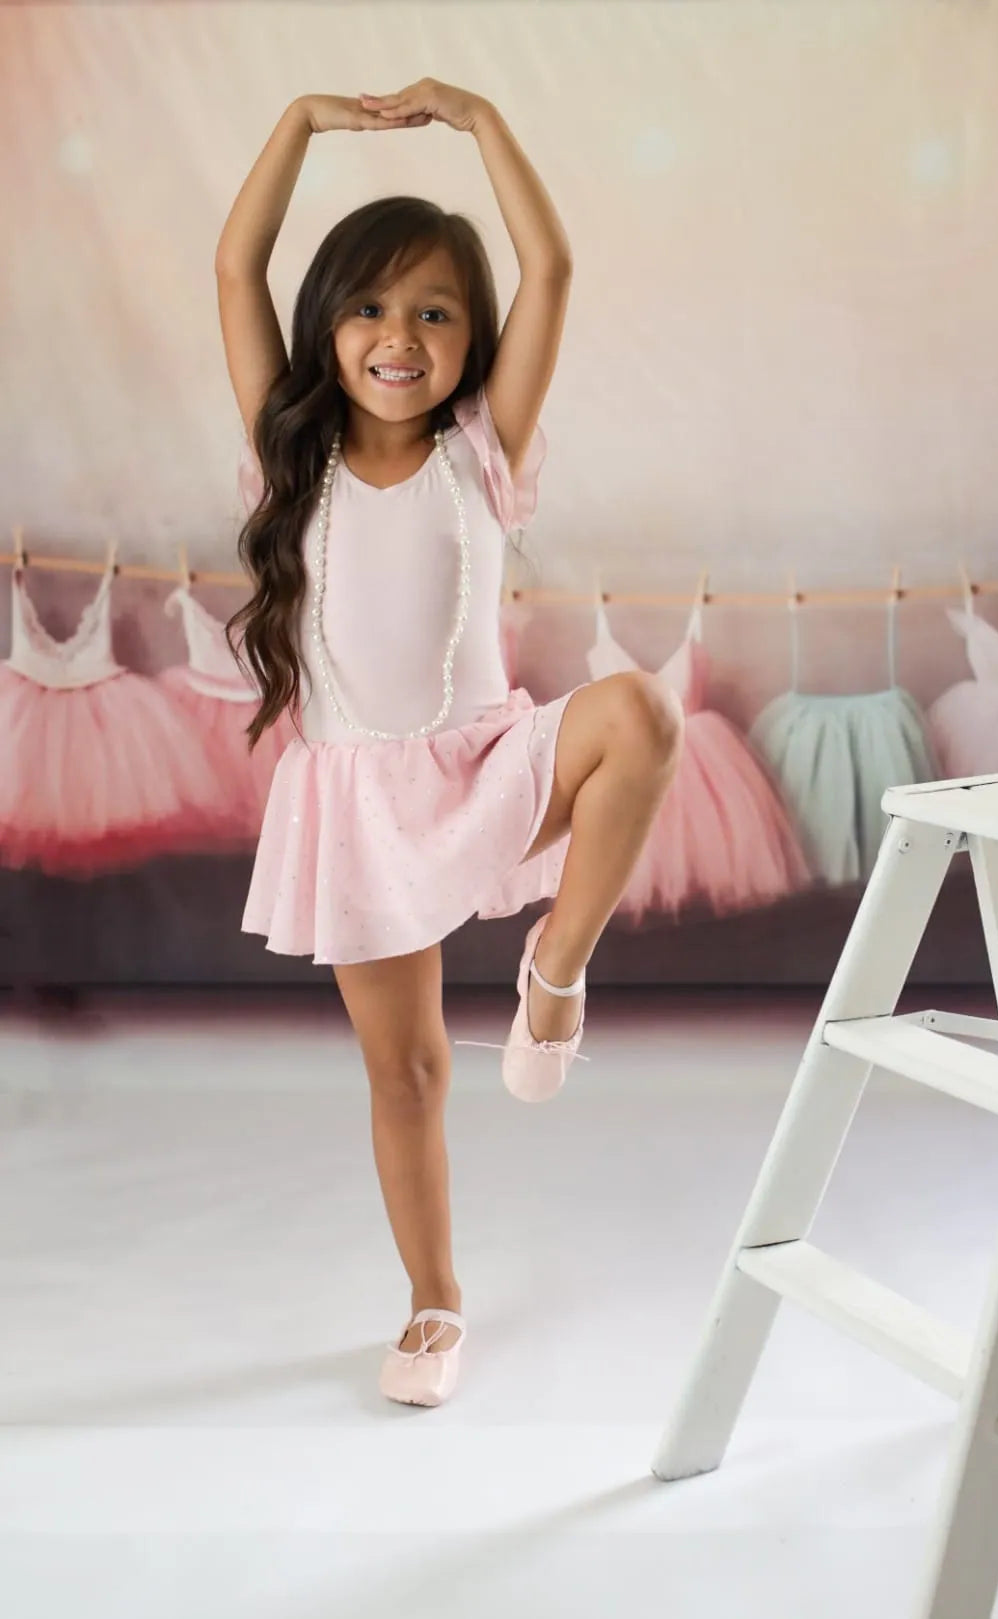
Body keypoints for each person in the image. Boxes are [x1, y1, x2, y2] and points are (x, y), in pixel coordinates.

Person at [214, 80, 684, 1407]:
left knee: (638, 714)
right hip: (357, 804)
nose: (398, 334)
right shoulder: (283, 455)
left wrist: (481, 126)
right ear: (326, 328)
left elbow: (555, 261)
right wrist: (300, 124)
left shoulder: (484, 451)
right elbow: (232, 261)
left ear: (471, 338)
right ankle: (432, 1304)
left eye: (434, 309)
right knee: (407, 1071)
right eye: (368, 306)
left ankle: (555, 970)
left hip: (483, 767)